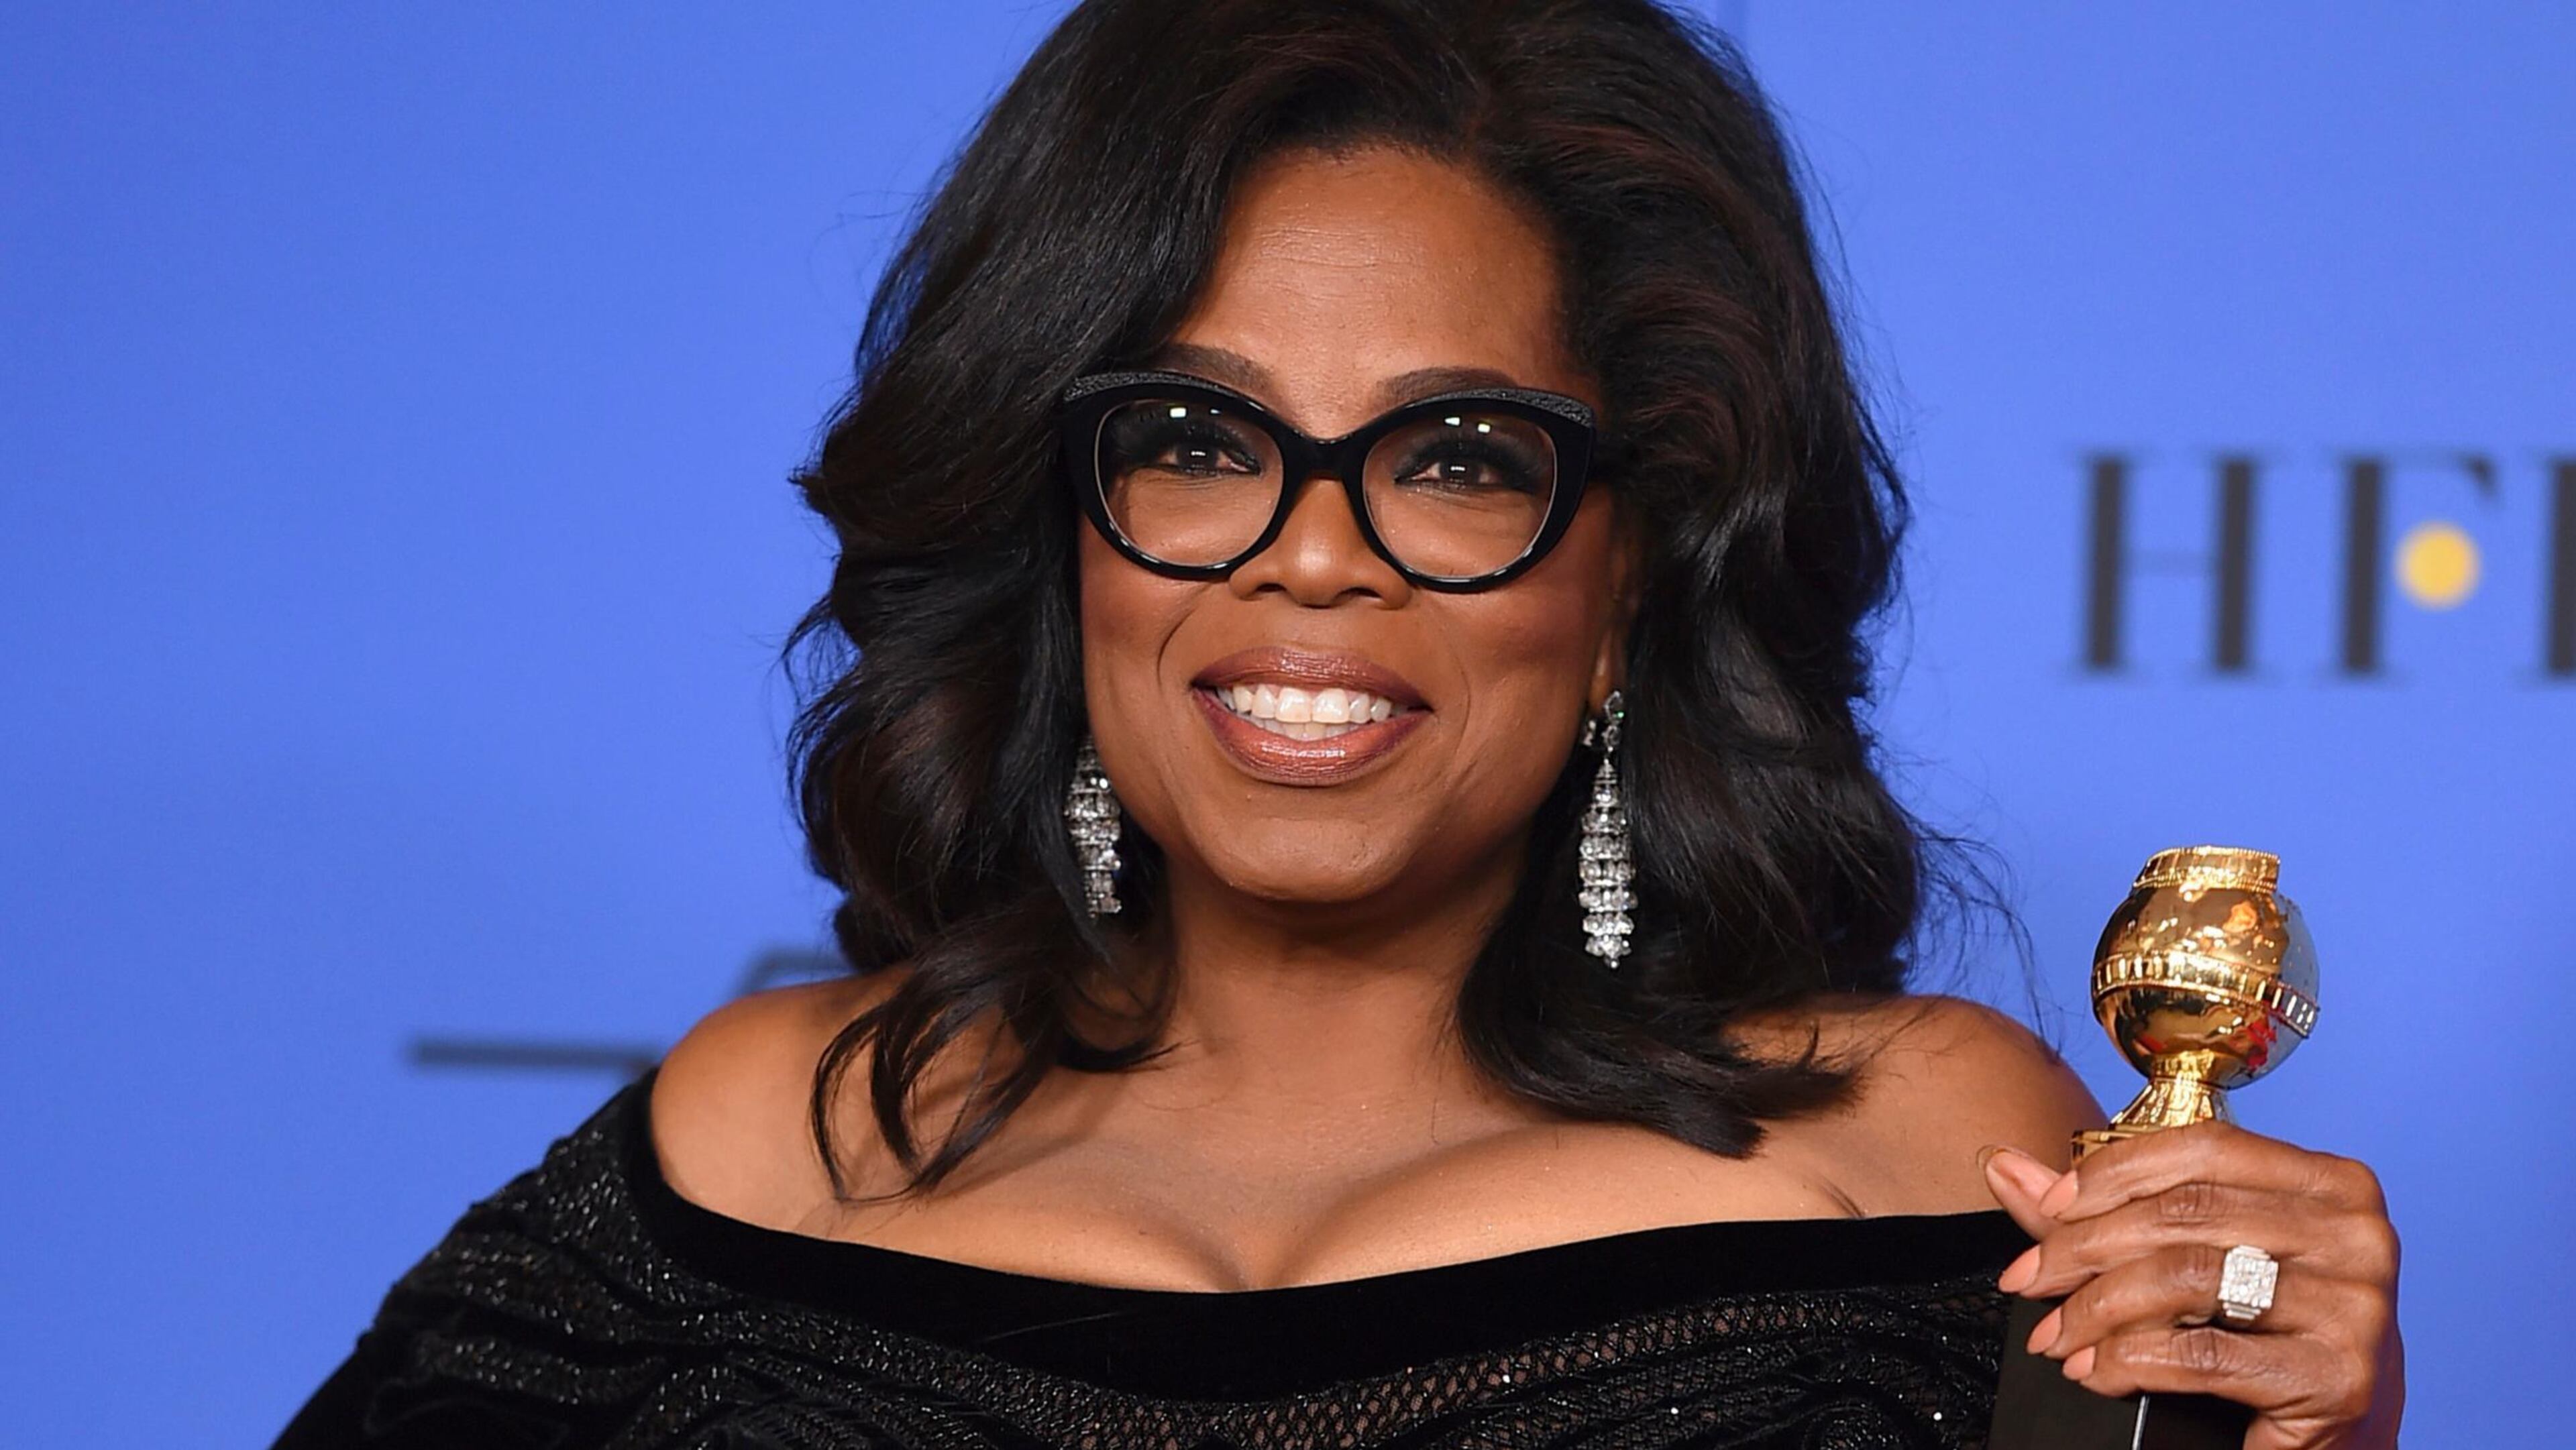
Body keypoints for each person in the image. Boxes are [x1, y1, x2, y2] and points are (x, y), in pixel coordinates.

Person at [275, 1, 2404, 1445]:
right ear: (1068, 536)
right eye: (1200, 440)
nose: (1312, 558)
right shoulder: (772, 1137)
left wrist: (2308, 1428)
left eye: (1460, 455)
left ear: (1623, 579)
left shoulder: (1929, 1146)